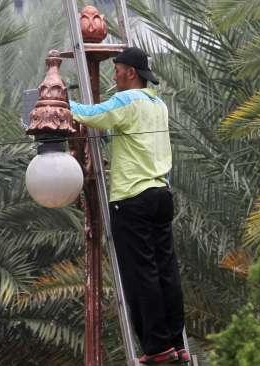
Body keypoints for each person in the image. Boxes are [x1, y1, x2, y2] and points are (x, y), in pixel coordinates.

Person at [69, 47, 187, 365]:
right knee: (165, 270)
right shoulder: (157, 104)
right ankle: (177, 341)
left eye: (118, 69)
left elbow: (92, 115)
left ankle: (157, 346)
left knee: (141, 274)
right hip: (161, 194)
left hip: (133, 198)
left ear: (131, 73)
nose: (114, 75)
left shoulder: (126, 101)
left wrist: (57, 102)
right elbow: (128, 134)